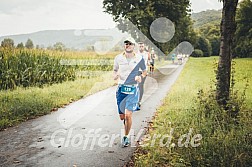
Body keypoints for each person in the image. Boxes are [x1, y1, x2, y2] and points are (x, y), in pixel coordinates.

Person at [113, 37, 147, 147]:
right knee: (122, 116)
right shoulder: (118, 58)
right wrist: (115, 75)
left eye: (130, 44)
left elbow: (145, 72)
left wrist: (140, 77)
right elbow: (114, 70)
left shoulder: (139, 58)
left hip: (133, 89)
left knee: (128, 115)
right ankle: (126, 125)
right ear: (124, 45)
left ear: (134, 46)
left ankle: (126, 137)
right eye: (126, 43)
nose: (128, 45)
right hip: (121, 89)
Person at [136, 42, 149, 110]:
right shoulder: (135, 54)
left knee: (140, 85)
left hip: (144, 72)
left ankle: (139, 101)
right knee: (136, 86)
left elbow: (147, 62)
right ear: (138, 47)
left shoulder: (146, 54)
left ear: (144, 47)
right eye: (140, 46)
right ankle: (135, 99)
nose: (141, 47)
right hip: (137, 71)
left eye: (142, 46)